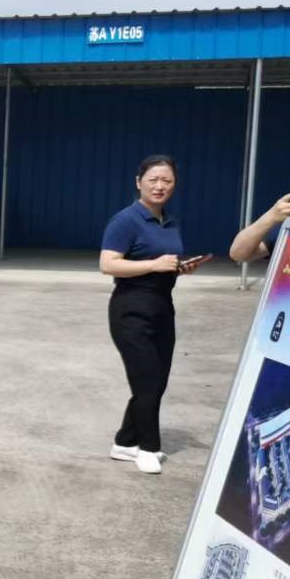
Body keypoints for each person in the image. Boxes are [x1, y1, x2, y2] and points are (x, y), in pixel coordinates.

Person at [99, 154, 205, 476]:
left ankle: (124, 441)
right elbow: (108, 264)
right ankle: (148, 447)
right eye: (153, 180)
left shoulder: (171, 221)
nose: (160, 186)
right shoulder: (125, 220)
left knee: (157, 381)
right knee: (146, 381)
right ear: (139, 182)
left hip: (162, 307)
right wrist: (154, 265)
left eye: (167, 181)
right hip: (131, 310)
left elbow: (161, 263)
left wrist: (177, 268)